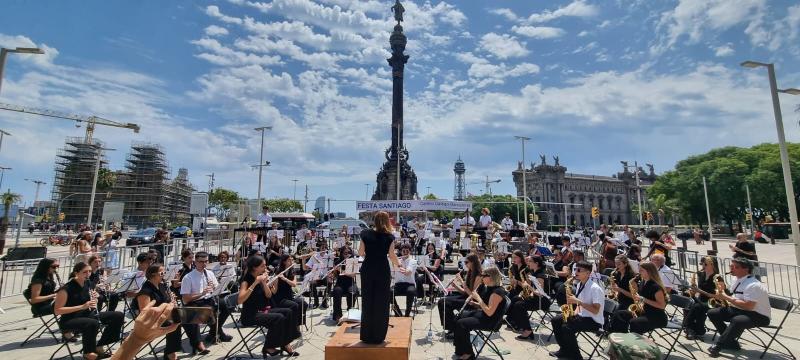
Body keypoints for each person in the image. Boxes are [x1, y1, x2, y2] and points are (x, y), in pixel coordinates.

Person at [55, 262, 124, 360]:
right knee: (92, 323)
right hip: (70, 319)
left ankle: (100, 345)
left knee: (118, 316)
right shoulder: (65, 289)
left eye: (89, 272)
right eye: (85, 272)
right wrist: (81, 307)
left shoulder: (87, 283)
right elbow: (57, 311)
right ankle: (88, 352)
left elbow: (91, 299)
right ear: (76, 273)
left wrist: (96, 297)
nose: (88, 274)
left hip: (87, 315)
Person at [706, 258, 771, 357]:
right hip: (739, 309)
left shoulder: (754, 285)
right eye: (732, 266)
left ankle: (719, 346)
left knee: (737, 320)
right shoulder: (735, 279)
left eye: (736, 267)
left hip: (758, 315)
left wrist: (727, 297)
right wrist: (722, 291)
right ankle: (730, 342)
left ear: (746, 269)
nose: (732, 269)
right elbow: (733, 295)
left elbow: (749, 306)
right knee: (713, 313)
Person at [238, 255, 300, 357]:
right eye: (263, 266)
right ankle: (268, 346)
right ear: (255, 267)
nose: (265, 268)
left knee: (288, 312)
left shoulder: (260, 277)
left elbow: (269, 295)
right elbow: (240, 300)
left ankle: (285, 343)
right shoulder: (247, 280)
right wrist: (255, 283)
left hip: (262, 311)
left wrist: (264, 283)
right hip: (250, 315)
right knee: (278, 318)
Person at [357, 211, 401, 344]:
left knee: (368, 301)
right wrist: (399, 265)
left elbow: (360, 252)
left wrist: (371, 254)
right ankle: (378, 336)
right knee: (381, 302)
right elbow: (392, 255)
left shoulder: (365, 233)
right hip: (382, 270)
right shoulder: (389, 237)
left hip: (368, 269)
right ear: (388, 221)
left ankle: (366, 335)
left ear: (374, 220)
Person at [548, 261, 605, 360]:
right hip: (582, 316)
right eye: (575, 269)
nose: (576, 272)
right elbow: (579, 305)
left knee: (567, 327)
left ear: (588, 273)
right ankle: (564, 350)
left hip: (594, 320)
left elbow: (595, 310)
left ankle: (576, 357)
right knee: (556, 320)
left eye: (579, 270)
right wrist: (572, 311)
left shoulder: (595, 289)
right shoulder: (579, 285)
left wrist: (578, 301)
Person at [180, 251, 232, 349]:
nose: (204, 264)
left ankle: (214, 332)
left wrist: (215, 288)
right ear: (195, 262)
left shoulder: (210, 273)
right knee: (209, 310)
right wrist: (202, 293)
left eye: (206, 261)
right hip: (196, 302)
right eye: (201, 262)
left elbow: (217, 288)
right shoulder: (188, 277)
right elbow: (185, 299)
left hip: (210, 298)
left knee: (228, 305)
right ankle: (217, 333)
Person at [453, 267, 508, 360]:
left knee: (461, 324)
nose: (481, 278)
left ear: (490, 277)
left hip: (490, 321)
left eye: (483, 276)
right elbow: (486, 306)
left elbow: (490, 312)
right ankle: (460, 349)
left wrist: (477, 297)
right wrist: (475, 304)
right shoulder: (490, 288)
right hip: (484, 315)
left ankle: (468, 353)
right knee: (458, 317)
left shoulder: (497, 292)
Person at [134, 264, 182, 360]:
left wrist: (171, 301)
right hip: (152, 319)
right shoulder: (145, 290)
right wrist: (168, 306)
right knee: (174, 324)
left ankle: (171, 351)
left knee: (182, 318)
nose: (164, 275)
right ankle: (170, 354)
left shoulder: (161, 285)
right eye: (161, 273)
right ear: (152, 275)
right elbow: (145, 312)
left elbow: (166, 301)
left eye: (164, 272)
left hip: (164, 315)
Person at [609, 262, 668, 334]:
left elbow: (662, 306)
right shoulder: (643, 282)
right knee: (619, 314)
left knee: (634, 322)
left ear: (649, 271)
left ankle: (636, 343)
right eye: (639, 270)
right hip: (643, 312)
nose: (639, 272)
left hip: (656, 316)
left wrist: (643, 299)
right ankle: (621, 337)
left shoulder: (656, 287)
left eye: (641, 270)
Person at [109, 302, 179, 360]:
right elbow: (144, 312)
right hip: (153, 320)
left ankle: (172, 353)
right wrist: (137, 338)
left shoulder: (162, 287)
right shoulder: (146, 290)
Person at [507, 255, 552, 340]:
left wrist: (528, 286)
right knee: (516, 299)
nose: (528, 263)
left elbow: (540, 293)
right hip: (536, 298)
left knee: (519, 305)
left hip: (542, 301)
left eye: (530, 261)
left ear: (536, 263)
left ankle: (527, 330)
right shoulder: (534, 272)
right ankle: (515, 322)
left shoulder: (540, 275)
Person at [438, 253, 482, 337]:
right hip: (466, 297)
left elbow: (473, 295)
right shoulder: (470, 272)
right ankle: (450, 327)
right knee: (441, 301)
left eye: (467, 262)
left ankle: (453, 329)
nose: (465, 264)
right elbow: (464, 292)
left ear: (473, 262)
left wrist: (462, 282)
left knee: (446, 304)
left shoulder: (478, 276)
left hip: (471, 301)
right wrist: (455, 286)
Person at [684, 256, 720, 340]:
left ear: (712, 265)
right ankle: (698, 330)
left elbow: (718, 296)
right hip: (701, 298)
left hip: (713, 301)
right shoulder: (701, 274)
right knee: (688, 303)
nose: (703, 266)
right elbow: (699, 289)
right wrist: (693, 291)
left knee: (697, 307)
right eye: (702, 263)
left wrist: (700, 291)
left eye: (705, 264)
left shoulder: (717, 278)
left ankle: (689, 327)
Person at [272, 254, 307, 327]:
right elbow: (274, 291)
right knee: (294, 305)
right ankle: (291, 325)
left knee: (303, 303)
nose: (291, 261)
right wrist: (273, 281)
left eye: (292, 259)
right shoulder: (278, 271)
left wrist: (285, 279)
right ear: (284, 262)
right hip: (280, 298)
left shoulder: (292, 271)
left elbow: (294, 284)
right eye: (289, 260)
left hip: (289, 296)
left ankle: (298, 324)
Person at [331, 246, 358, 322]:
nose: (347, 255)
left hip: (350, 282)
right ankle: (338, 315)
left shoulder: (353, 262)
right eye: (345, 253)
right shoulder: (338, 262)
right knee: (336, 292)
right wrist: (334, 272)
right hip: (340, 283)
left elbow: (353, 275)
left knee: (352, 292)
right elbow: (335, 276)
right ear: (342, 254)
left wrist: (342, 271)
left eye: (349, 253)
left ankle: (350, 312)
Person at [391, 244, 417, 317]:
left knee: (411, 291)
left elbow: (407, 272)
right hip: (398, 284)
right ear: (401, 252)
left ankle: (407, 314)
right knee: (389, 292)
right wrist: (391, 260)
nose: (405, 252)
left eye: (407, 251)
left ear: (410, 252)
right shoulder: (397, 260)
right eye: (403, 251)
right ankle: (397, 312)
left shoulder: (413, 261)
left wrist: (399, 265)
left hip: (409, 284)